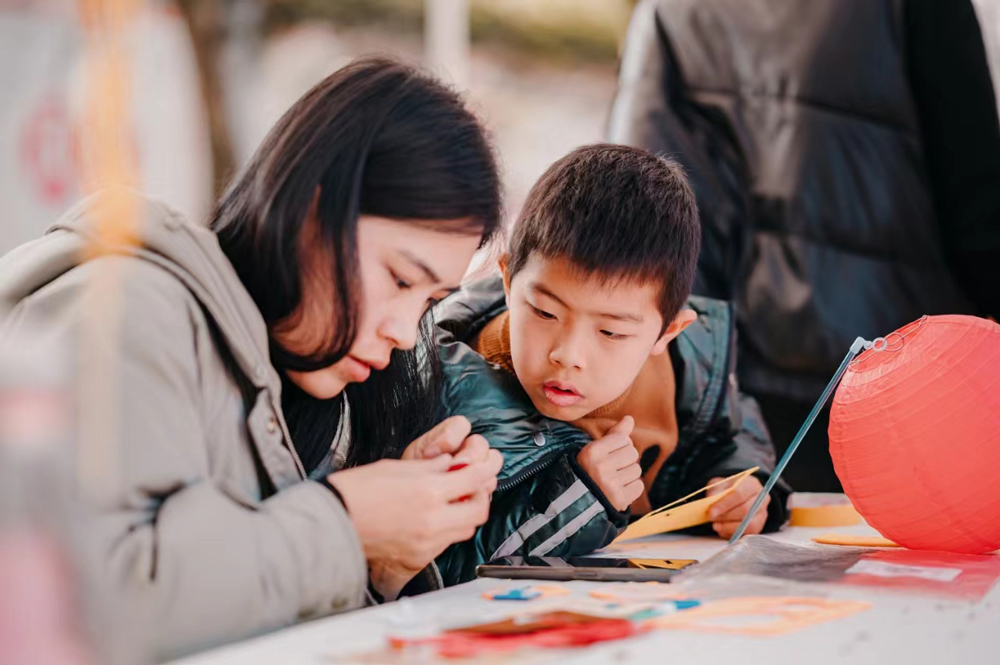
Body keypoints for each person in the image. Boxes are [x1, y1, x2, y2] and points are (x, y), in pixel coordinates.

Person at [0, 58, 504, 658]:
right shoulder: (130, 308)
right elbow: (85, 613)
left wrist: (383, 553)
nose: (403, 331)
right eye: (399, 278)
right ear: (311, 212)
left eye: (431, 302)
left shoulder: (288, 383)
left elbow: (235, 619)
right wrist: (345, 522)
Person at [607, 0, 1000, 491]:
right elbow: (978, 205)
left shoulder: (669, 10)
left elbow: (643, 209)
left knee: (771, 553)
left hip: (746, 388)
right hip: (906, 379)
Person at [428, 145, 789, 585]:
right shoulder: (444, 388)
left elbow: (733, 429)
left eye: (611, 333)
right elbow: (439, 568)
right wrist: (582, 497)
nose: (568, 355)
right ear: (507, 281)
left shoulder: (691, 366)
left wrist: (741, 488)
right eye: (544, 312)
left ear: (667, 333)